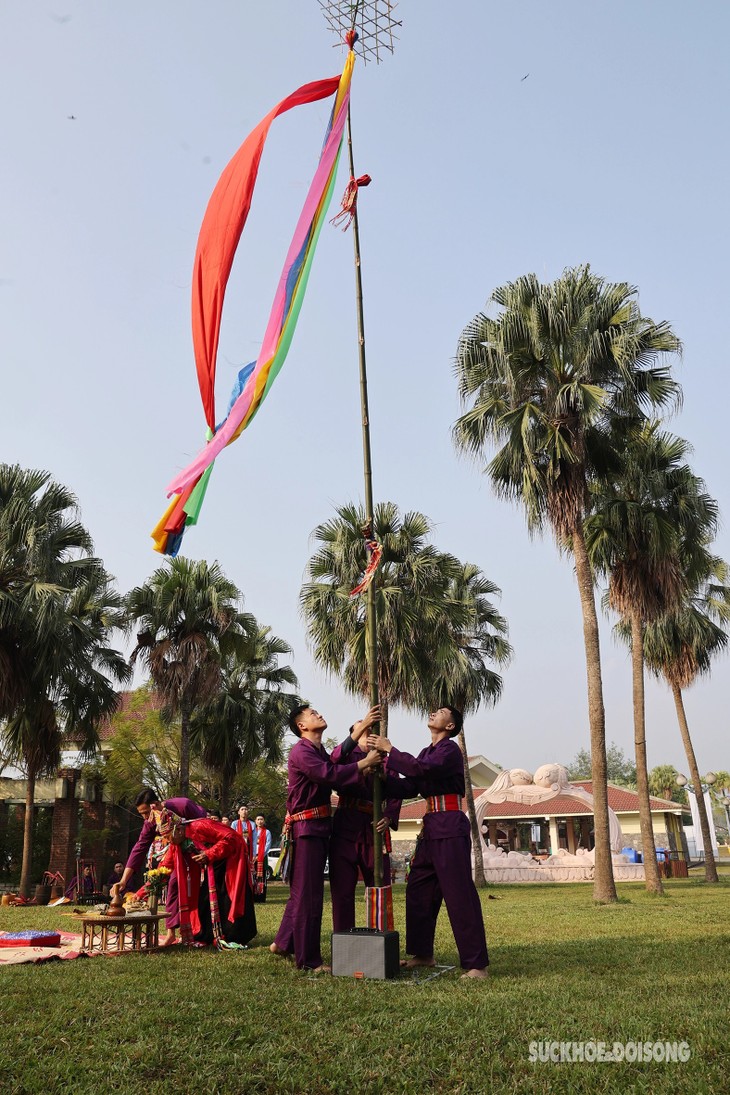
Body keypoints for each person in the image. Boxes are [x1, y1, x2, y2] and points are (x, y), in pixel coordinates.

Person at [368, 706, 490, 980]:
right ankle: (423, 954)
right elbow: (409, 786)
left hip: (449, 824)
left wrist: (390, 750)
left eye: (442, 712)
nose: (435, 713)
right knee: (419, 889)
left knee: (458, 895)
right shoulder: (427, 752)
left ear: (450, 726)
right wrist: (381, 776)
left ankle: (476, 965)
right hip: (431, 828)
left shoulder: (449, 750)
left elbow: (421, 769)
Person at [270, 704, 383, 973]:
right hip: (308, 828)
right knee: (308, 895)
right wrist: (363, 763)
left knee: (305, 892)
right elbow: (328, 774)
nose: (319, 714)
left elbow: (331, 761)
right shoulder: (301, 750)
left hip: (318, 827)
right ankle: (308, 960)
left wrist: (357, 733)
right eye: (312, 714)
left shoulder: (316, 750)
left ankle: (284, 943)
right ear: (301, 726)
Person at [329, 711, 400, 932]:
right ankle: (343, 940)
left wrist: (388, 815)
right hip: (345, 828)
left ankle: (382, 939)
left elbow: (397, 791)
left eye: (371, 728)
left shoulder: (386, 760)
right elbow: (333, 767)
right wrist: (362, 768)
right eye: (362, 728)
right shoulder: (345, 757)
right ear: (353, 734)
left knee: (380, 887)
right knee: (342, 891)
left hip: (373, 830)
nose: (367, 731)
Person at [118, 788, 208, 946]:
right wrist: (124, 880)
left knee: (193, 887)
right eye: (142, 815)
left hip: (198, 848)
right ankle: (171, 933)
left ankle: (199, 930)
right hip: (176, 852)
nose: (146, 818)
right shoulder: (150, 822)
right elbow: (140, 848)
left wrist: (205, 853)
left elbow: (204, 826)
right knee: (170, 883)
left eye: (146, 812)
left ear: (155, 805)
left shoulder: (183, 805)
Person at [156, 809, 256, 947]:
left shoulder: (200, 826)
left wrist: (208, 854)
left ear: (178, 830)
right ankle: (210, 935)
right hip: (214, 862)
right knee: (206, 899)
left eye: (168, 837)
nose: (167, 841)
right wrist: (145, 889)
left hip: (231, 858)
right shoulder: (177, 844)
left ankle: (234, 935)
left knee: (228, 897)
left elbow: (232, 838)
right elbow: (165, 866)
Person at [252, 815, 272, 903]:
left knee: (261, 878)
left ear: (264, 821)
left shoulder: (267, 832)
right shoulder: (252, 831)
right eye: (258, 819)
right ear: (255, 821)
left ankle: (261, 898)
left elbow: (267, 845)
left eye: (261, 819)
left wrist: (260, 855)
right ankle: (253, 897)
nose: (260, 821)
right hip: (252, 857)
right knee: (253, 877)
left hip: (262, 858)